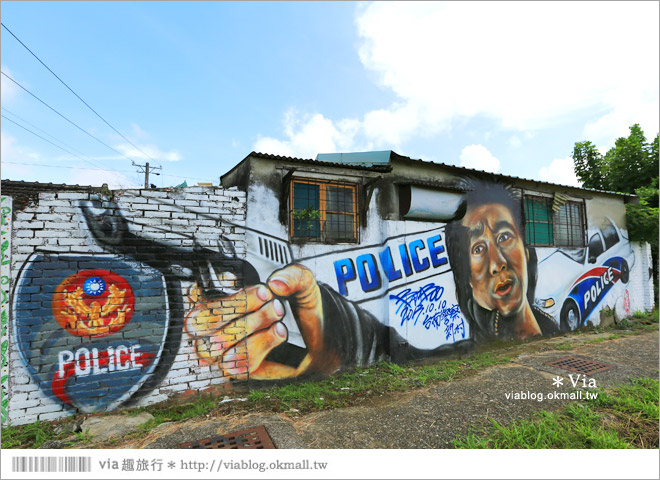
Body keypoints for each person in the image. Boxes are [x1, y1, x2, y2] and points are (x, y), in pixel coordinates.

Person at [444, 179, 559, 342]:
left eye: (504, 237)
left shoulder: (552, 327)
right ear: (468, 277)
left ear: (526, 252)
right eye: (478, 249)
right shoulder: (464, 352)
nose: (496, 264)